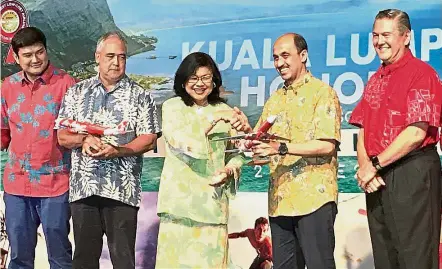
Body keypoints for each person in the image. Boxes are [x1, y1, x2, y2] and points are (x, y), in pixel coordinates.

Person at [56, 31, 161, 269]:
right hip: (84, 190)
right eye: (110, 56)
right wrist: (83, 140)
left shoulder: (141, 95)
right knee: (83, 259)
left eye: (122, 57)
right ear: (97, 57)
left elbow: (149, 139)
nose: (116, 62)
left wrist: (119, 150)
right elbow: (62, 135)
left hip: (123, 191)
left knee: (123, 261)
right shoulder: (76, 92)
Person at [239, 33, 342, 269]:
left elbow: (327, 145)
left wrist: (282, 148)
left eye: (285, 55)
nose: (279, 63)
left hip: (314, 199)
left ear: (303, 56)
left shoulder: (322, 93)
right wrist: (247, 140)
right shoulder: (275, 99)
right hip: (280, 200)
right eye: (275, 57)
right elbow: (261, 149)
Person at [349, 9, 442, 269]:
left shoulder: (421, 73)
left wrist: (374, 165)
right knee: (384, 256)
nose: (380, 41)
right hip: (377, 177)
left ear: (406, 36)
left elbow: (416, 133)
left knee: (415, 257)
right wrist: (365, 168)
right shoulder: (375, 79)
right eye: (375, 35)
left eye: (387, 34)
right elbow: (363, 127)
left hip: (412, 172)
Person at [155, 52, 249, 268]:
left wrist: (229, 169)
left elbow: (237, 154)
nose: (200, 84)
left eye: (206, 78)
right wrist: (213, 119)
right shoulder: (172, 107)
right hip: (178, 208)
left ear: (214, 81)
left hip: (212, 206)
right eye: (194, 78)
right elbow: (180, 141)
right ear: (183, 80)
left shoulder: (226, 110)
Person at [0, 27, 75, 269]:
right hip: (16, 187)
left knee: (60, 258)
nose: (35, 60)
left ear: (46, 50)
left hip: (56, 185)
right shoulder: (7, 87)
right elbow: (2, 133)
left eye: (39, 52)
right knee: (19, 258)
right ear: (16, 57)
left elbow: (76, 134)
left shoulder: (67, 84)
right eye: (27, 55)